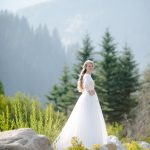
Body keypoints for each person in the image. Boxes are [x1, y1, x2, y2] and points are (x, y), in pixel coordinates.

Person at [53, 60, 108, 149]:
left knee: (91, 117)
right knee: (86, 117)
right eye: (89, 66)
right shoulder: (86, 76)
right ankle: (84, 140)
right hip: (88, 98)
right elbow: (86, 85)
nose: (90, 67)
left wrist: (91, 91)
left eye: (91, 66)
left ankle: (92, 140)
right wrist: (90, 91)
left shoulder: (89, 75)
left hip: (91, 98)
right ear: (85, 67)